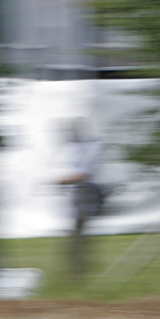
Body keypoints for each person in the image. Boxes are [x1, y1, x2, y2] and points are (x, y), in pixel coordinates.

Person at [57, 119, 103, 279]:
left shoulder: (85, 149)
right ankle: (77, 266)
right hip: (77, 193)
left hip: (84, 193)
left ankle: (77, 269)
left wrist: (62, 180)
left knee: (77, 234)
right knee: (76, 233)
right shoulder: (75, 149)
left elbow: (83, 174)